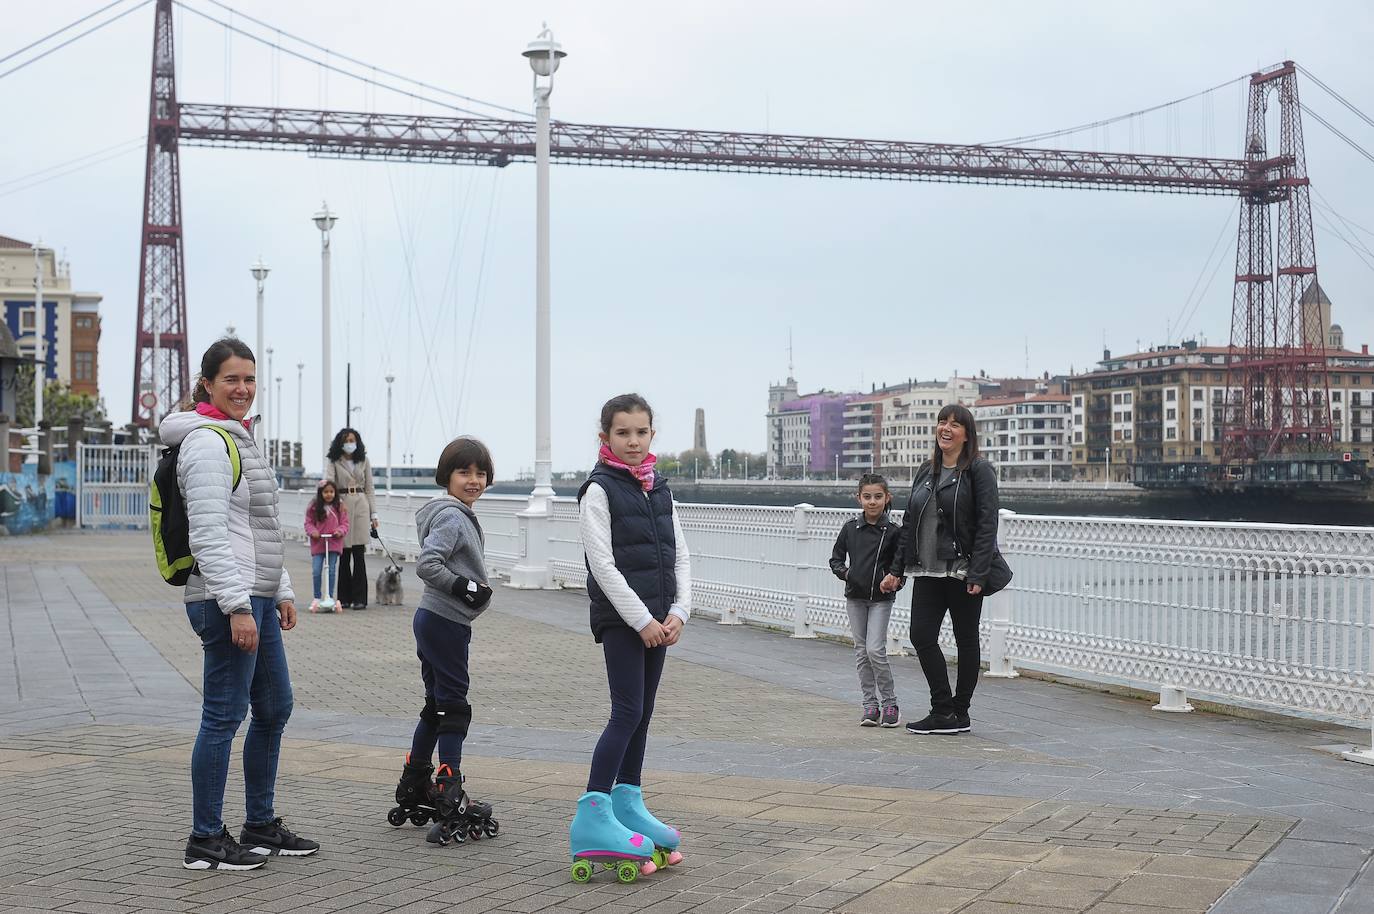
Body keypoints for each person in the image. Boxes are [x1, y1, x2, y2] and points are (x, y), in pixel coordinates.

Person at [161, 338, 318, 870]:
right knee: (223, 717)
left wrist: (283, 590)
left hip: (255, 593)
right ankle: (204, 838)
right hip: (225, 598)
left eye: (249, 379)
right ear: (207, 384)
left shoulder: (238, 438)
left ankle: (259, 824)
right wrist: (237, 606)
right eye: (231, 379)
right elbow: (208, 535)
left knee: (274, 707)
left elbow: (258, 527)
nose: (242, 389)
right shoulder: (206, 444)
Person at [568, 394, 690, 883]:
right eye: (623, 433)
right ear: (605, 438)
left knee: (644, 713)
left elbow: (681, 553)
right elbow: (603, 565)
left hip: (658, 618)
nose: (633, 442)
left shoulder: (659, 487)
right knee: (626, 710)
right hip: (624, 620)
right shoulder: (599, 490)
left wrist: (679, 610)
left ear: (652, 435)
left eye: (641, 432)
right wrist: (641, 620)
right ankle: (592, 816)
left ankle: (627, 801)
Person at [391, 436, 498, 846]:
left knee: (436, 706)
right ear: (447, 477)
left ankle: (415, 782)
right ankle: (450, 791)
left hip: (433, 620)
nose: (473, 480)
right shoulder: (453, 518)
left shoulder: (450, 513)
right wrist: (465, 587)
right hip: (445, 621)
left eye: (480, 473)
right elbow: (427, 564)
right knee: (454, 708)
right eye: (463, 472)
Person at [881, 403, 1000, 736]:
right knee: (921, 635)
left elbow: (987, 523)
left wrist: (977, 572)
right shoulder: (927, 469)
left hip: (961, 571)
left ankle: (959, 713)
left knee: (966, 641)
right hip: (928, 571)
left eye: (954, 424)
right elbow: (909, 524)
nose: (946, 428)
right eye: (941, 422)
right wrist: (897, 569)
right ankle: (943, 709)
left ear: (967, 434)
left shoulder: (978, 470)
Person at [830, 473, 903, 728]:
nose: (872, 502)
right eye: (867, 497)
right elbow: (835, 559)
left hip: (881, 599)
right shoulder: (850, 528)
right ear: (859, 498)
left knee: (875, 650)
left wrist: (894, 580)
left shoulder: (894, 532)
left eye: (878, 497)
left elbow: (900, 566)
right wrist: (849, 574)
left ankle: (890, 703)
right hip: (855, 598)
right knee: (861, 652)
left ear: (887, 498)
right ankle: (869, 704)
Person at [325, 428, 378, 609]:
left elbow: (370, 488)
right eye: (347, 440)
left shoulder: (364, 460)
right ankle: (344, 597)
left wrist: (374, 514)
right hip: (342, 505)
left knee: (359, 553)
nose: (350, 443)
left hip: (362, 504)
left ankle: (360, 598)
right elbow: (329, 483)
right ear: (341, 442)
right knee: (344, 553)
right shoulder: (333, 461)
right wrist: (333, 505)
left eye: (353, 440)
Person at [304, 479, 349, 613]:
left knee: (331, 570)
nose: (329, 494)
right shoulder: (314, 506)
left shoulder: (339, 506)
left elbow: (345, 523)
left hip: (333, 543)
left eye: (331, 492)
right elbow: (308, 523)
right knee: (316, 571)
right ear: (320, 493)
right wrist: (313, 532)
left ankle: (329, 596)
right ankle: (317, 596)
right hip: (319, 544)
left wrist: (339, 531)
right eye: (325, 492)